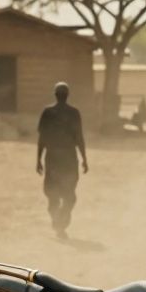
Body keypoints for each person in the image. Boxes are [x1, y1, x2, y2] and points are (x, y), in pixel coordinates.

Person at [36, 81, 88, 239]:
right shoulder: (74, 113)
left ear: (55, 95)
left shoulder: (47, 112)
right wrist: (84, 158)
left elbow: (42, 138)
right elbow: (79, 137)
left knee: (52, 193)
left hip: (52, 158)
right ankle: (61, 222)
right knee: (69, 195)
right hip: (69, 159)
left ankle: (58, 221)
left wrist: (38, 159)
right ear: (68, 95)